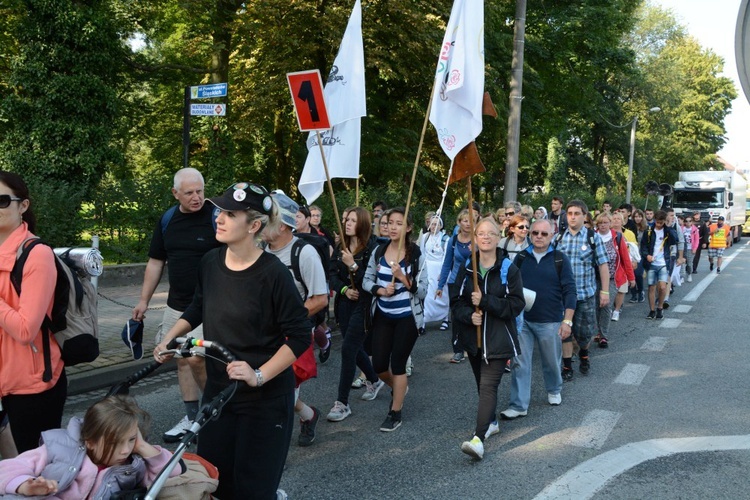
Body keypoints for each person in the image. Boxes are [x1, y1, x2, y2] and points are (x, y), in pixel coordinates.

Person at [154, 182, 311, 500]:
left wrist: (258, 375)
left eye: (230, 213)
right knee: (217, 484)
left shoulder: (273, 274)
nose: (219, 218)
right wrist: (169, 339)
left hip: (264, 402)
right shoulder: (210, 262)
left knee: (252, 490)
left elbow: (299, 336)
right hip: (218, 398)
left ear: (254, 225)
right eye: (220, 211)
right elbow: (198, 307)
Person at [132, 168, 220, 443]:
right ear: (175, 193)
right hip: (176, 305)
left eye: (200, 191)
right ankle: (192, 417)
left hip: (210, 305)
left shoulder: (218, 217)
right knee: (181, 361)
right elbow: (156, 262)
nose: (196, 198)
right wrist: (144, 300)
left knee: (195, 358)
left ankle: (212, 413)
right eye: (190, 193)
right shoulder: (168, 220)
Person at [0, 171, 66, 453]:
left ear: (23, 206)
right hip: (4, 379)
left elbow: (27, 329)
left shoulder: (36, 253)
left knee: (34, 475)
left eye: (2, 200)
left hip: (31, 386)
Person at [0, 395, 181, 498]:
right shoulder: (60, 445)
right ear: (90, 441)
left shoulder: (133, 465)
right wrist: (25, 485)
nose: (126, 450)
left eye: (131, 439)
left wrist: (141, 445)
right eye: (114, 443)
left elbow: (172, 473)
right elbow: (7, 468)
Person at [451, 218, 525, 459]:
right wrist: (468, 316)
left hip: (498, 339)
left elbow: (516, 305)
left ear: (498, 238)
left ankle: (478, 439)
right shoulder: (467, 267)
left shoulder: (508, 268)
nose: (485, 237)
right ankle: (491, 421)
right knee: (480, 385)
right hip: (474, 340)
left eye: (491, 233)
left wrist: (485, 302)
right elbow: (456, 303)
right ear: (475, 238)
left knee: (487, 386)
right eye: (481, 233)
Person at [263, 192, 329, 447]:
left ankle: (273, 453)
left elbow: (320, 299)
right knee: (273, 392)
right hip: (264, 335)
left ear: (281, 225)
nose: (257, 224)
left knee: (279, 396)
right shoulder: (259, 251)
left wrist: (286, 321)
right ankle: (309, 415)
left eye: (265, 219)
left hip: (292, 336)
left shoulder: (305, 253)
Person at [500, 219, 576, 420]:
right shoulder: (521, 258)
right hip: (522, 320)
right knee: (519, 362)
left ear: (552, 235)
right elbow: (509, 285)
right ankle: (518, 405)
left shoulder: (560, 259)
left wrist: (567, 321)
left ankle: (554, 389)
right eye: (535, 233)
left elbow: (570, 290)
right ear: (530, 234)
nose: (539, 237)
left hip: (550, 320)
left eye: (544, 233)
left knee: (551, 360)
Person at [363, 207, 428, 432]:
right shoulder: (378, 251)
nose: (392, 227)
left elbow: (422, 292)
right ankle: (399, 387)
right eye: (390, 222)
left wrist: (403, 278)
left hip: (407, 318)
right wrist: (380, 291)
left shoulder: (416, 254)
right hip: (383, 314)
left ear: (408, 228)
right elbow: (366, 280)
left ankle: (395, 412)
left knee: (398, 364)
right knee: (379, 365)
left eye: (399, 223)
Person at [327, 207, 384, 422]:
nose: (347, 223)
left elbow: (371, 282)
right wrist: (344, 290)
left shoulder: (373, 248)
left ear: (362, 223)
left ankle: (342, 403)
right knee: (356, 347)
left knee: (349, 348)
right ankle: (374, 379)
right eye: (346, 219)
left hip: (364, 305)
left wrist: (353, 265)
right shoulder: (340, 245)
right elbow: (332, 275)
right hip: (345, 304)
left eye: (352, 220)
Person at [555, 200, 609, 380]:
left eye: (576, 213)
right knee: (565, 331)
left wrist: (605, 291)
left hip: (586, 294)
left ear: (584, 216)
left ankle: (584, 354)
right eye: (569, 213)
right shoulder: (559, 239)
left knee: (584, 333)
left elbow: (602, 265)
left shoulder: (593, 238)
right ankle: (567, 366)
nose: (572, 217)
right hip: (563, 297)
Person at [437, 209, 474, 362]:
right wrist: (440, 286)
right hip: (455, 283)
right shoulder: (453, 241)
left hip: (473, 282)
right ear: (459, 222)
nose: (468, 223)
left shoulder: (478, 239)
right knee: (457, 316)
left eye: (471, 220)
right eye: (465, 220)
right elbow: (447, 264)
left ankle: (474, 347)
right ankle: (458, 350)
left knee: (473, 314)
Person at [592, 212, 634, 345]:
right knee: (596, 305)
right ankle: (599, 331)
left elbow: (625, 258)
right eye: (600, 223)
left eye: (605, 222)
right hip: (594, 278)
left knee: (606, 305)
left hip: (612, 278)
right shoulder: (592, 236)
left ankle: (603, 335)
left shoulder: (617, 237)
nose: (603, 225)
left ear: (610, 224)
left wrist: (631, 277)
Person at [640, 210, 679, 320]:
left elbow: (674, 240)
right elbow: (643, 245)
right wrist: (646, 255)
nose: (659, 224)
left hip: (663, 263)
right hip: (652, 263)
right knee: (651, 287)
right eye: (657, 222)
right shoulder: (649, 231)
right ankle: (652, 310)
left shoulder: (668, 231)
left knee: (662, 287)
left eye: (661, 222)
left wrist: (668, 227)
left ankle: (660, 307)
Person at [419, 215, 451, 326]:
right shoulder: (425, 237)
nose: (434, 226)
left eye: (437, 224)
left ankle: (445, 318)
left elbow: (447, 256)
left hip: (440, 269)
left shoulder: (445, 239)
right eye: (432, 224)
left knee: (442, 294)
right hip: (427, 268)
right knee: (428, 295)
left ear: (441, 226)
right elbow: (422, 253)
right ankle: (425, 319)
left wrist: (442, 273)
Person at [629, 209, 649, 303]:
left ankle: (640, 291)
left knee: (638, 273)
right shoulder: (630, 227)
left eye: (639, 216)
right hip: (630, 254)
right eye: (636, 216)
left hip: (640, 254)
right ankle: (634, 294)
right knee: (631, 274)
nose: (638, 218)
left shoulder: (646, 228)